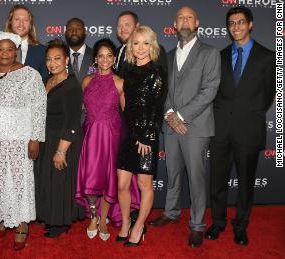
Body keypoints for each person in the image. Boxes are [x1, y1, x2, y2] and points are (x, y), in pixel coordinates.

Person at [148, 6, 221, 248]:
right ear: (175, 24)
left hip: (196, 128)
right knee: (173, 173)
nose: (185, 21)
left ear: (197, 22)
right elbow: (163, 90)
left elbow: (209, 90)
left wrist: (180, 115)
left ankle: (198, 225)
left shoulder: (210, 53)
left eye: (189, 17)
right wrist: (170, 115)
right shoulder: (166, 56)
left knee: (197, 178)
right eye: (181, 17)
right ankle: (171, 212)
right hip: (171, 126)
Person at [205, 6, 275, 246]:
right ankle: (218, 222)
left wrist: (248, 112)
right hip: (220, 129)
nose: (236, 27)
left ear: (251, 24)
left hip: (248, 129)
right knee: (217, 181)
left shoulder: (267, 57)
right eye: (231, 23)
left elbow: (269, 94)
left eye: (241, 22)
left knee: (246, 183)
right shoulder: (220, 55)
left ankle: (241, 225)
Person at [0, 31, 46, 250]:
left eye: (10, 49)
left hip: (17, 139)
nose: (5, 53)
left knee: (17, 181)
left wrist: (35, 138)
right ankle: (4, 216)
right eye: (0, 49)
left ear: (17, 51)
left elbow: (39, 108)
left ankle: (22, 224)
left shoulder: (30, 74)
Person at [116, 26, 166, 247]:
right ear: (130, 46)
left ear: (152, 46)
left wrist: (145, 136)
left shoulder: (156, 71)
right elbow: (126, 103)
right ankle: (126, 222)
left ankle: (138, 227)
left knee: (145, 184)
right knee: (122, 184)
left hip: (146, 135)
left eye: (146, 43)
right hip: (128, 134)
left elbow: (156, 108)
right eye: (136, 43)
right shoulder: (128, 71)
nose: (141, 48)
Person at [34, 39, 85, 238]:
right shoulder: (47, 80)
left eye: (57, 59)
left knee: (60, 180)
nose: (52, 63)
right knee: (50, 179)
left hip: (64, 139)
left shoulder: (72, 86)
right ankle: (51, 216)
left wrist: (61, 150)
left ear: (66, 60)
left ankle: (61, 221)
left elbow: (73, 122)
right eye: (48, 59)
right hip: (47, 136)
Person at [76, 38, 124, 241]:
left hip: (111, 137)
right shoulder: (87, 81)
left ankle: (103, 219)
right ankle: (94, 216)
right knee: (91, 178)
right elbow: (80, 109)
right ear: (95, 58)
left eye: (109, 56)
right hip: (89, 136)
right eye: (101, 56)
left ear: (114, 58)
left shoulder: (120, 82)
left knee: (107, 180)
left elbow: (126, 112)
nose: (105, 60)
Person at [0, 5, 48, 79]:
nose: (21, 24)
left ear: (30, 25)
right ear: (10, 22)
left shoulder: (42, 51)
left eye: (25, 20)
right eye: (17, 19)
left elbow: (45, 81)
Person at [115, 11, 167, 77]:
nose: (122, 29)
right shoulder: (113, 53)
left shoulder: (155, 50)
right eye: (120, 26)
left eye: (127, 25)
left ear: (137, 26)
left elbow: (162, 80)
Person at [64, 17, 94, 83]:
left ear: (85, 32)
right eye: (70, 29)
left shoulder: (96, 55)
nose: (74, 32)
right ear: (65, 33)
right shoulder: (59, 57)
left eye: (78, 29)